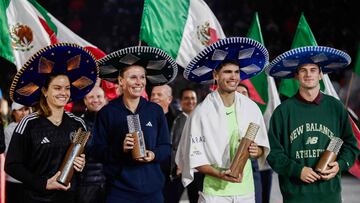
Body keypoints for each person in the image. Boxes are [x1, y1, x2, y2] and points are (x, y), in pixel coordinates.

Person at [176, 37, 270, 203]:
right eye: (227, 72)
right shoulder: (201, 112)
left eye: (236, 72)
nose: (233, 77)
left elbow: (262, 147)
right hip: (214, 193)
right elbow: (195, 159)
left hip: (246, 192)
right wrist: (220, 174)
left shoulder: (251, 108)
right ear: (216, 75)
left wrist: (257, 151)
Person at [265, 46, 360, 203]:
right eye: (303, 70)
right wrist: (297, 170)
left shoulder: (336, 107)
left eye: (313, 70)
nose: (308, 74)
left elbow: (351, 145)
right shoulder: (283, 111)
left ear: (321, 75)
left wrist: (340, 165)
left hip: (330, 196)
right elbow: (273, 154)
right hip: (296, 196)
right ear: (296, 76)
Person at [5, 43, 98, 203]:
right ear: (45, 91)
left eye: (67, 88)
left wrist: (81, 163)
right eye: (57, 88)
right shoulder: (28, 123)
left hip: (69, 198)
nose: (64, 93)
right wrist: (43, 183)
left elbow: (81, 160)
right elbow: (12, 165)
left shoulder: (78, 123)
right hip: (35, 199)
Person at [92, 46, 178, 202]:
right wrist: (120, 148)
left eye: (142, 77)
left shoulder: (155, 111)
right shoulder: (107, 112)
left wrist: (153, 154)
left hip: (152, 191)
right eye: (133, 77)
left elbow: (166, 147)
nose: (139, 82)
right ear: (121, 81)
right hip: (118, 192)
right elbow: (97, 151)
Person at [76, 86, 107, 203]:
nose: (95, 100)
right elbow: (76, 151)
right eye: (91, 97)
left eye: (99, 96)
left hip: (111, 183)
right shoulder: (80, 124)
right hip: (87, 185)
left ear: (105, 99)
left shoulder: (113, 121)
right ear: (85, 101)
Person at [236, 83, 263, 203]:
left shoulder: (255, 115)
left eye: (244, 93)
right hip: (226, 168)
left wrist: (258, 151)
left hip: (252, 167)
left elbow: (263, 147)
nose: (241, 96)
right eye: (238, 93)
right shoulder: (221, 115)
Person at [4, 102, 31, 203]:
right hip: (13, 180)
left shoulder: (34, 127)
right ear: (13, 112)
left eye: (26, 109)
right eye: (20, 110)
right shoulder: (8, 130)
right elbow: (9, 154)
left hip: (31, 180)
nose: (23, 113)